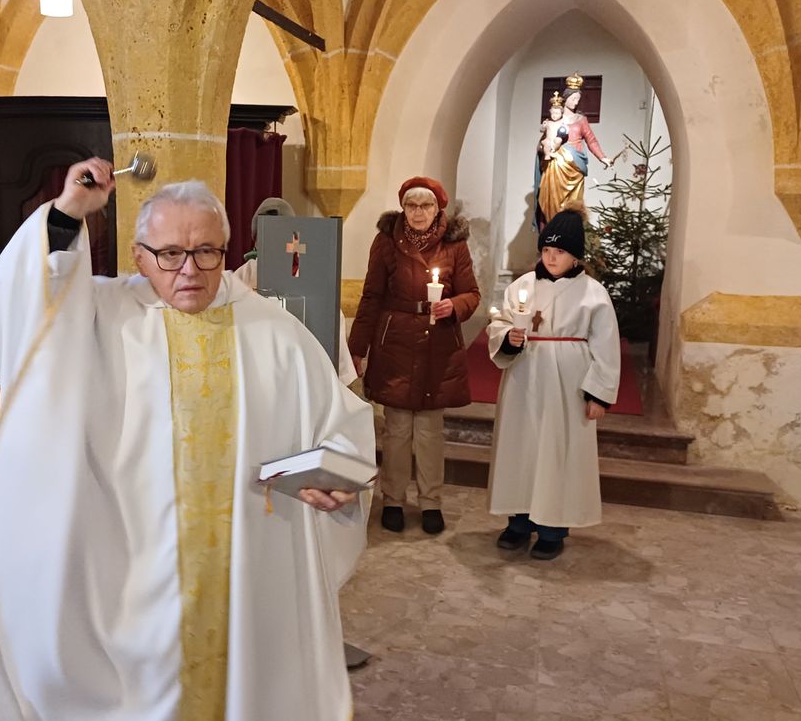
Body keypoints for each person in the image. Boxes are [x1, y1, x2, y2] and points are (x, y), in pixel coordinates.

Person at [0, 159, 375, 721]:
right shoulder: (100, 315)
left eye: (206, 252)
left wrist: (333, 479)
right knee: (129, 719)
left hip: (237, 572)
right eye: (171, 253)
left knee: (224, 715)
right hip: (127, 571)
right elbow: (25, 305)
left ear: (228, 251)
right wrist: (68, 215)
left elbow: (340, 428)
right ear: (138, 254)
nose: (189, 270)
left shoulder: (275, 331)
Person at [486, 199, 620, 560]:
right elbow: (500, 324)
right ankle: (518, 522)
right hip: (524, 382)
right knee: (522, 449)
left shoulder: (593, 294)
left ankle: (553, 529)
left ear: (576, 256)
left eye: (559, 251)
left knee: (558, 454)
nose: (551, 257)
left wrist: (600, 395)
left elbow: (606, 347)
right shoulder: (522, 286)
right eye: (546, 249)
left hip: (568, 386)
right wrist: (508, 339)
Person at [348, 176, 480, 535]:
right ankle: (393, 498)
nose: (418, 213)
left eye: (425, 206)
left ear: (438, 209)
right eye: (411, 205)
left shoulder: (455, 244)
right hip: (396, 343)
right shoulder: (387, 241)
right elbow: (371, 296)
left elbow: (472, 294)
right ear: (402, 208)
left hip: (437, 345)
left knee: (430, 430)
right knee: (396, 429)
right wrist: (357, 347)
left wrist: (454, 305)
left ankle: (431, 502)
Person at [234, 196, 357, 386]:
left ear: (294, 236)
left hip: (305, 378)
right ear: (256, 240)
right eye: (267, 235)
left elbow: (330, 326)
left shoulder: (312, 278)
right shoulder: (241, 277)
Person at [535, 74, 612, 230]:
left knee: (572, 206)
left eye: (578, 99)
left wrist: (602, 157)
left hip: (574, 166)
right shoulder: (555, 118)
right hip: (555, 165)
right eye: (573, 98)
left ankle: (567, 230)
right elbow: (545, 140)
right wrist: (543, 148)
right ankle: (551, 230)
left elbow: (591, 140)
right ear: (566, 98)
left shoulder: (581, 120)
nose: (576, 101)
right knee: (550, 200)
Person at [539, 94, 568, 162]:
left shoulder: (562, 122)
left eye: (557, 113)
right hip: (548, 139)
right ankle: (547, 155)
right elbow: (542, 130)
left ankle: (553, 150)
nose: (554, 115)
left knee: (558, 140)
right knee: (547, 143)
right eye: (553, 113)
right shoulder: (548, 122)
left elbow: (565, 129)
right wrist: (543, 126)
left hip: (556, 139)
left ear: (561, 113)